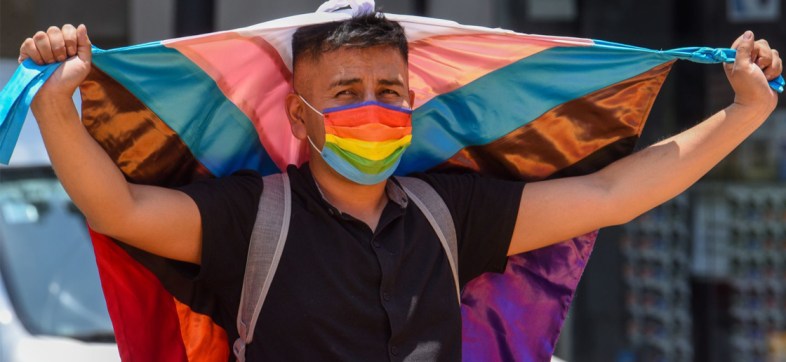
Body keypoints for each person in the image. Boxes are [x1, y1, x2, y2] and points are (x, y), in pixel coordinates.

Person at [18, 12, 781, 361]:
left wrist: (748, 112)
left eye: (389, 88)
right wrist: (57, 104)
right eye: (345, 91)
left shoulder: (451, 214)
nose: (372, 105)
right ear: (300, 115)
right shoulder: (252, 220)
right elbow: (114, 206)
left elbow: (616, 194)